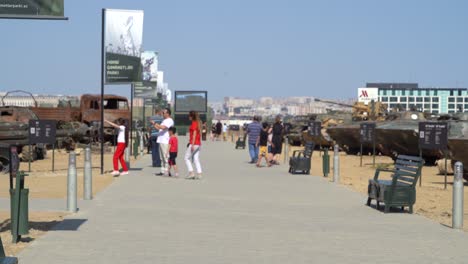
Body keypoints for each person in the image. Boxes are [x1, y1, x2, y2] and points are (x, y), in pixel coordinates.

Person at [151, 108, 174, 176]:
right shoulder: (164, 120)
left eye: (164, 113)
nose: (162, 114)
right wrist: (153, 124)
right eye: (162, 112)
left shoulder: (169, 120)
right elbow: (158, 128)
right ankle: (162, 170)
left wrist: (155, 123)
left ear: (168, 113)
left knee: (165, 156)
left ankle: (167, 171)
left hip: (165, 141)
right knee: (161, 157)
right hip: (161, 140)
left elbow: (163, 127)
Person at [185, 110, 203, 179]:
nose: (188, 117)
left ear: (192, 116)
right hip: (198, 144)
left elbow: (194, 134)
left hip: (194, 143)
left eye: (189, 116)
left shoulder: (194, 123)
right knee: (196, 159)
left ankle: (191, 173)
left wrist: (192, 144)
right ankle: (199, 173)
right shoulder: (198, 123)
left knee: (186, 158)